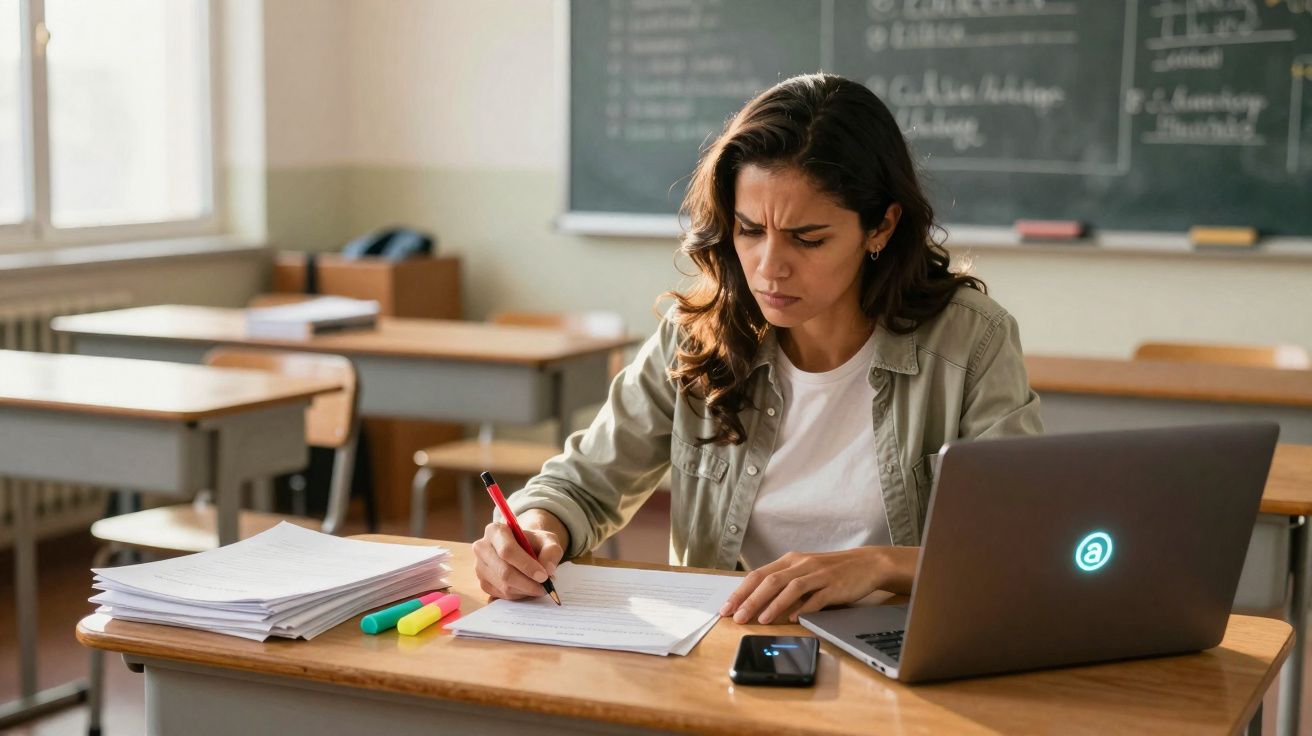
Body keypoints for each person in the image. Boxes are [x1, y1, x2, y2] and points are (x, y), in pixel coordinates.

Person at [472, 72, 1042, 625]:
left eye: (808, 238)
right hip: (724, 643)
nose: (769, 268)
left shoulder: (971, 341)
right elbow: (582, 484)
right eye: (749, 230)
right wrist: (533, 528)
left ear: (881, 227)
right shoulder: (699, 332)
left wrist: (878, 567)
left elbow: (1020, 543)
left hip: (901, 650)